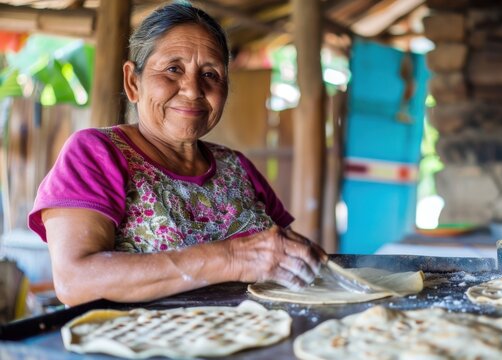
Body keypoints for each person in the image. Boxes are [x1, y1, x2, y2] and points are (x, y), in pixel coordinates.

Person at [28, 2, 325, 306]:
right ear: (133, 82)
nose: (193, 90)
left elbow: (288, 261)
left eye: (210, 74)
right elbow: (75, 280)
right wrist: (230, 258)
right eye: (173, 69)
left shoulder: (238, 167)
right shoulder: (96, 154)